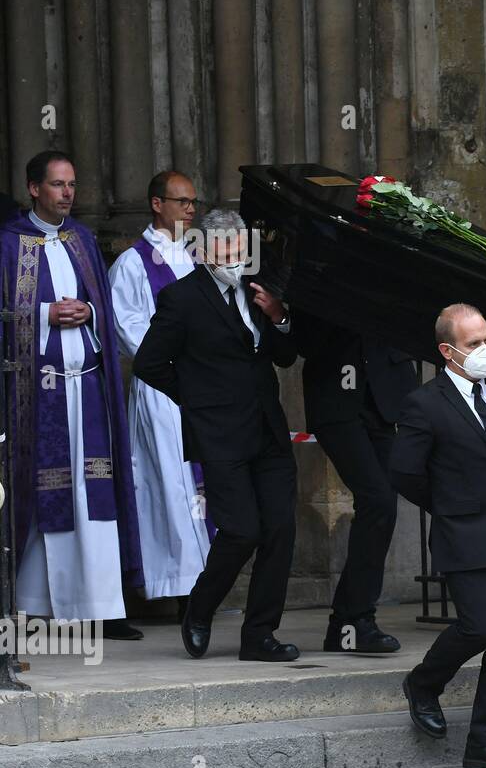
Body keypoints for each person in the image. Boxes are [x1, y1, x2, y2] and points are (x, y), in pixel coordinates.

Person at [132, 208, 300, 662]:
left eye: (240, 248)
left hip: (267, 429)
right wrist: (200, 401)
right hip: (220, 434)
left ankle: (259, 635)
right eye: (225, 248)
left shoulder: (261, 289)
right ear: (203, 251)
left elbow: (284, 358)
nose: (235, 257)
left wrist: (280, 317)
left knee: (281, 529)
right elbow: (149, 363)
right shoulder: (181, 299)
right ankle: (200, 610)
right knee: (242, 530)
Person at [389, 303, 486, 768]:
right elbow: (404, 473)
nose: (484, 351)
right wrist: (452, 504)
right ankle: (423, 683)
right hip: (465, 533)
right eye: (474, 344)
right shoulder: (425, 402)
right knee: (481, 626)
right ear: (447, 350)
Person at [0, 151, 144, 637]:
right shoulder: (7, 245)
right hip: (39, 396)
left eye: (73, 185)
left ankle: (102, 604)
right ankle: (38, 604)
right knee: (50, 492)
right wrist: (45, 316)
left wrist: (87, 309)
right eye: (58, 185)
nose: (68, 193)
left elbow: (104, 306)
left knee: (95, 491)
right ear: (34, 188)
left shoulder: (82, 239)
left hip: (88, 389)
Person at [109, 171, 212, 605]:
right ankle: (172, 585)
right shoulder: (132, 263)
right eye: (181, 201)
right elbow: (126, 325)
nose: (190, 210)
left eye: (193, 202)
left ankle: (203, 583)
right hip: (161, 387)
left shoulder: (198, 256)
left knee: (199, 489)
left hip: (202, 386)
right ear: (157, 204)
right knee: (167, 484)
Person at [296, 311, 417, 653]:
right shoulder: (318, 270)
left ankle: (347, 623)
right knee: (377, 499)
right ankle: (355, 618)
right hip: (336, 398)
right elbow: (303, 341)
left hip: (384, 396)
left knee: (383, 506)